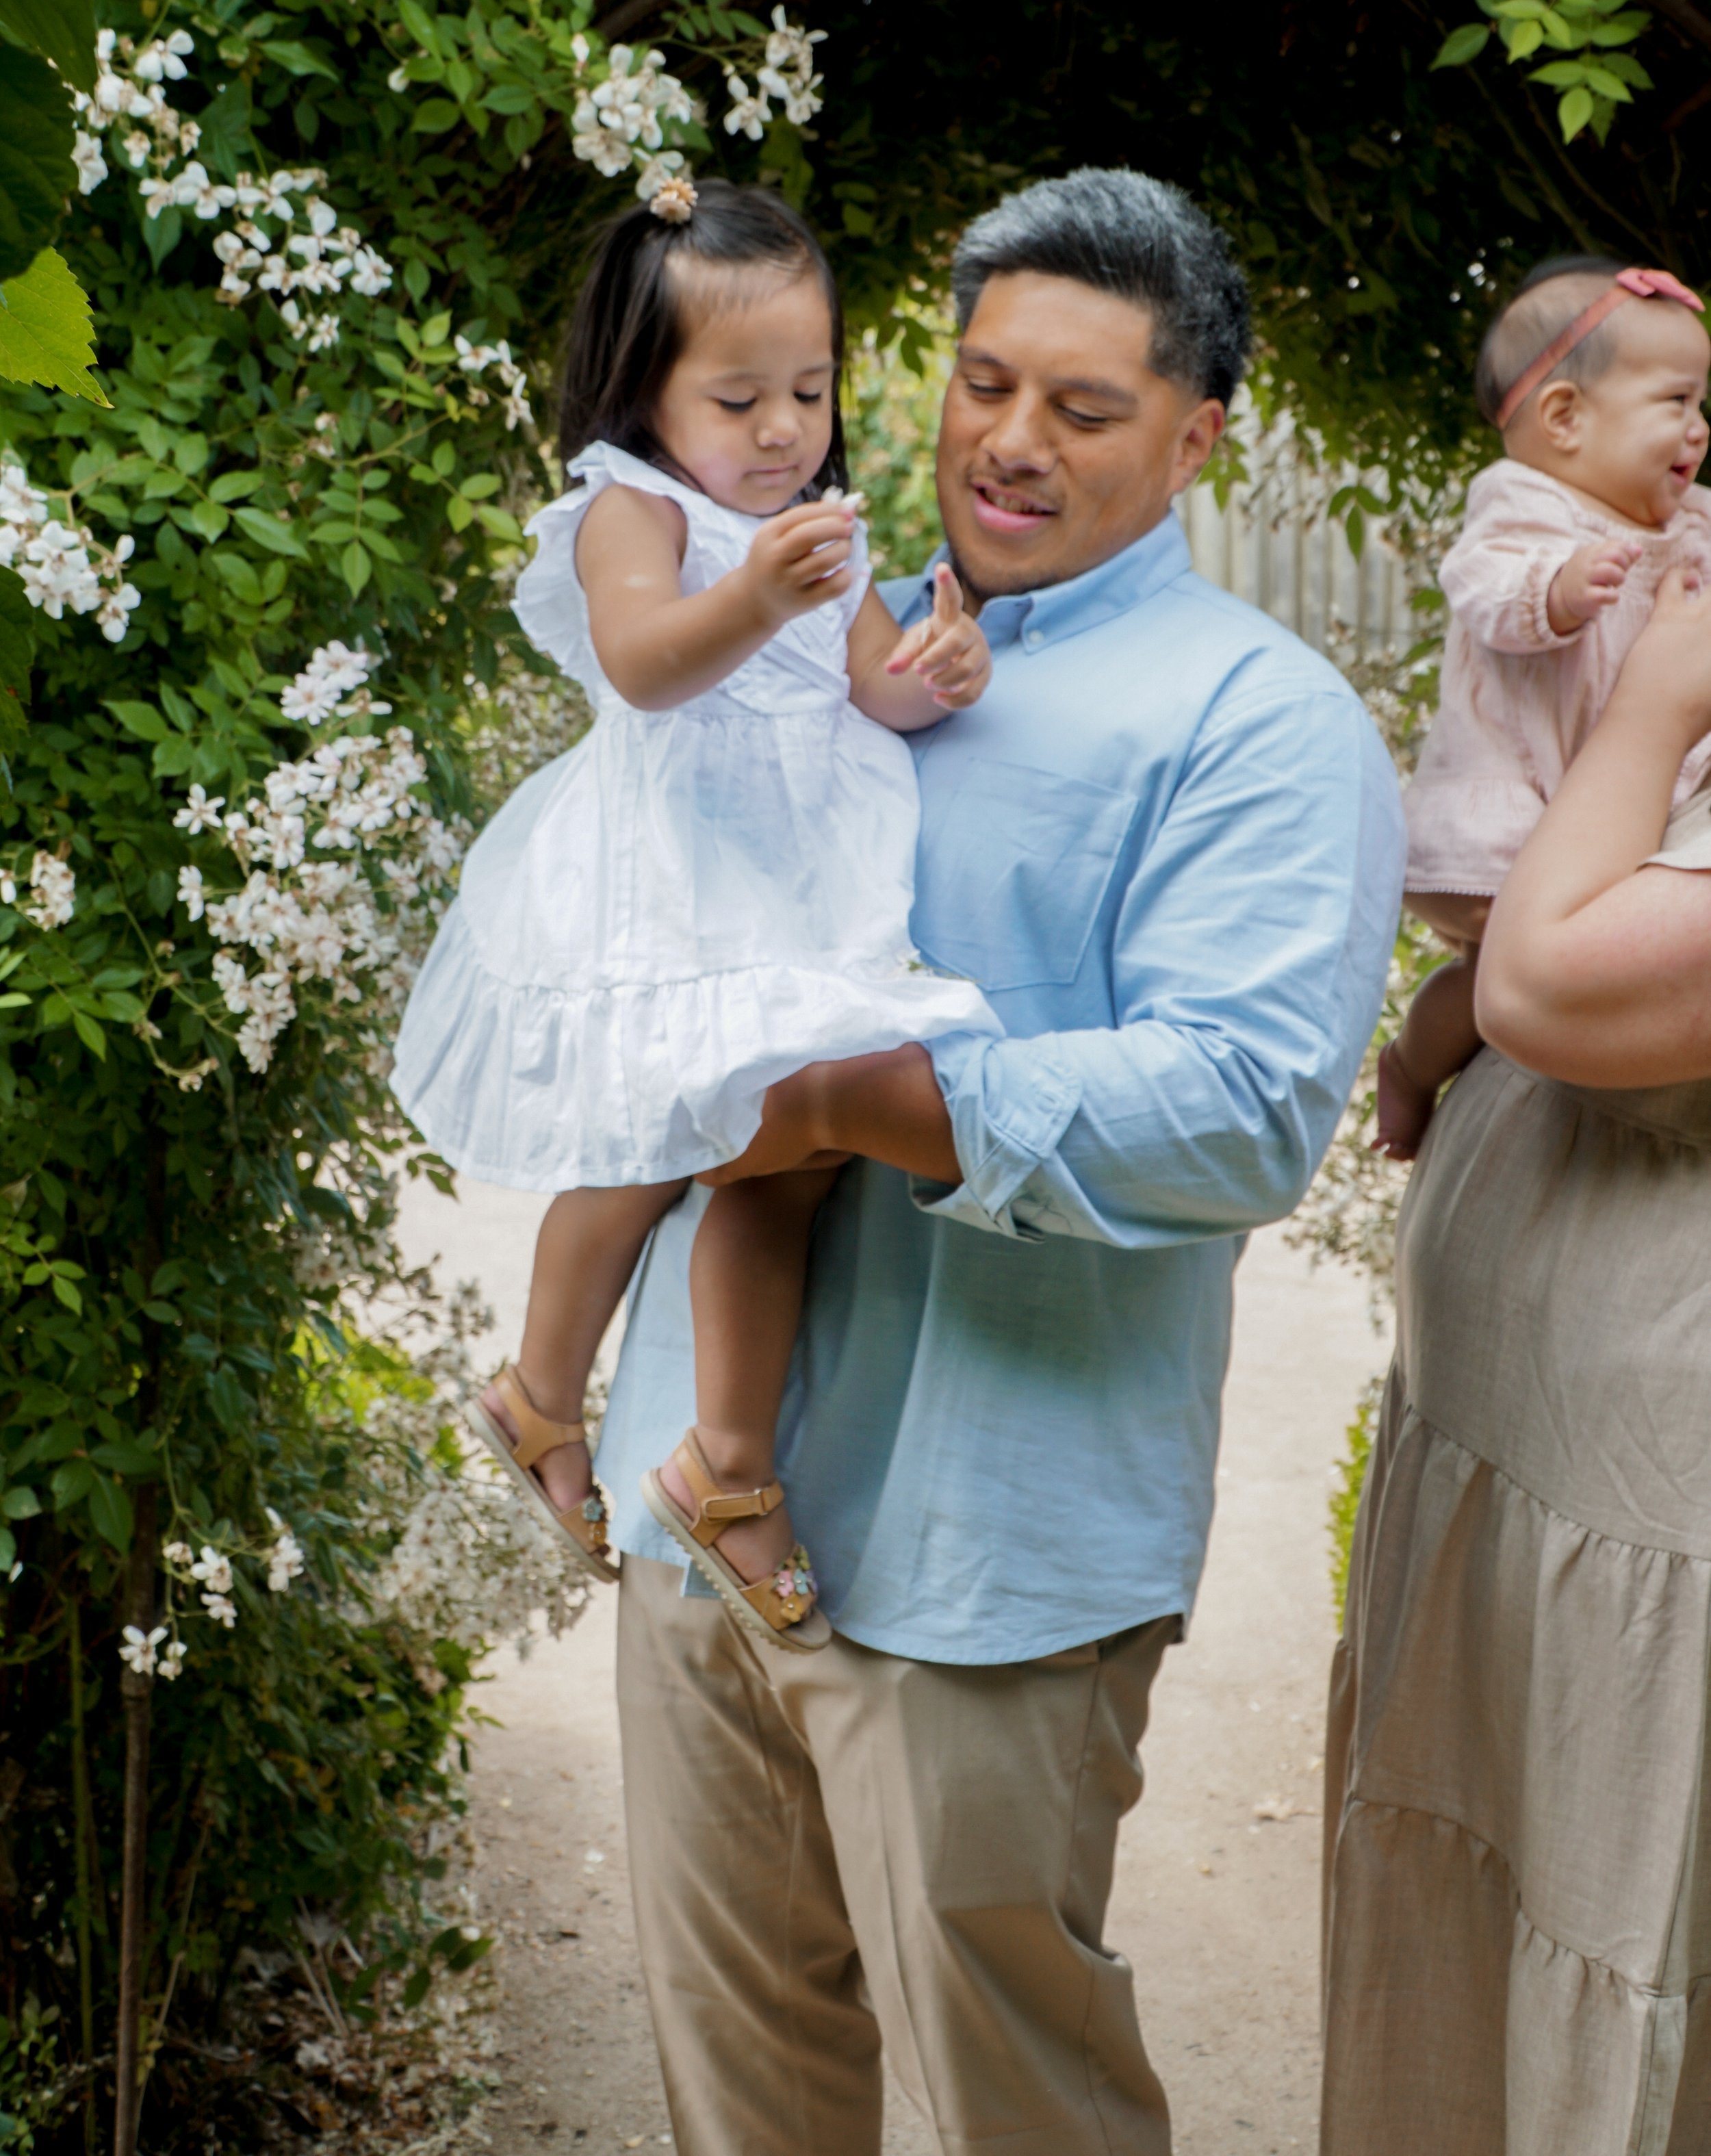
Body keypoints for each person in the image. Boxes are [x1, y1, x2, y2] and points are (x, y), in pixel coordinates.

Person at [592, 167, 1404, 2156]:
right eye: (977, 385)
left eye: (1080, 409)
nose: (1007, 444)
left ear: (1197, 435)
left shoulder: (1260, 725)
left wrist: (848, 1098)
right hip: (707, 1513)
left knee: (1010, 2106)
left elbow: (1236, 1103)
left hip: (988, 1543)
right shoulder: (799, 635)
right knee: (741, 2100)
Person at [391, 181, 995, 1649]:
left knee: (782, 1163)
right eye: (739, 397)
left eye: (809, 387)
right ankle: (542, 1385)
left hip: (792, 896)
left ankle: (725, 1466)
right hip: (669, 876)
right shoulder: (632, 506)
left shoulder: (809, 526)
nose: (783, 428)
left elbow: (868, 686)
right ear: (645, 391)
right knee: (658, 1139)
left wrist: (935, 671)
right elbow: (646, 663)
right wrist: (759, 602)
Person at [1322, 560, 1711, 2155]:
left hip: (1641, 1526)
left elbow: (1541, 980)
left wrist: (1664, 693)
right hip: (1522, 1473)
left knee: (1611, 1981)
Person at [1374, 255, 1711, 1159]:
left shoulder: (1689, 523)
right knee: (1503, 974)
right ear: (1565, 417)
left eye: (1701, 405)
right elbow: (1481, 588)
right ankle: (1408, 1065)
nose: (1700, 427)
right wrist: (1558, 591)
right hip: (1505, 820)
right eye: (1677, 402)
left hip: (1605, 816)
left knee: (1528, 980)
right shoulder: (1523, 508)